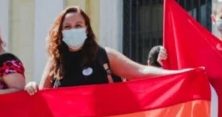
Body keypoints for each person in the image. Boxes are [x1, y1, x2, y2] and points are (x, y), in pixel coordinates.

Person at [26, 6, 174, 93]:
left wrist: (176, 74)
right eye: (67, 27)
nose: (73, 30)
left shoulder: (104, 55)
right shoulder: (55, 63)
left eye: (78, 25)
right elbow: (43, 98)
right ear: (60, 32)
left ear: (86, 30)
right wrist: (31, 88)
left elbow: (140, 72)